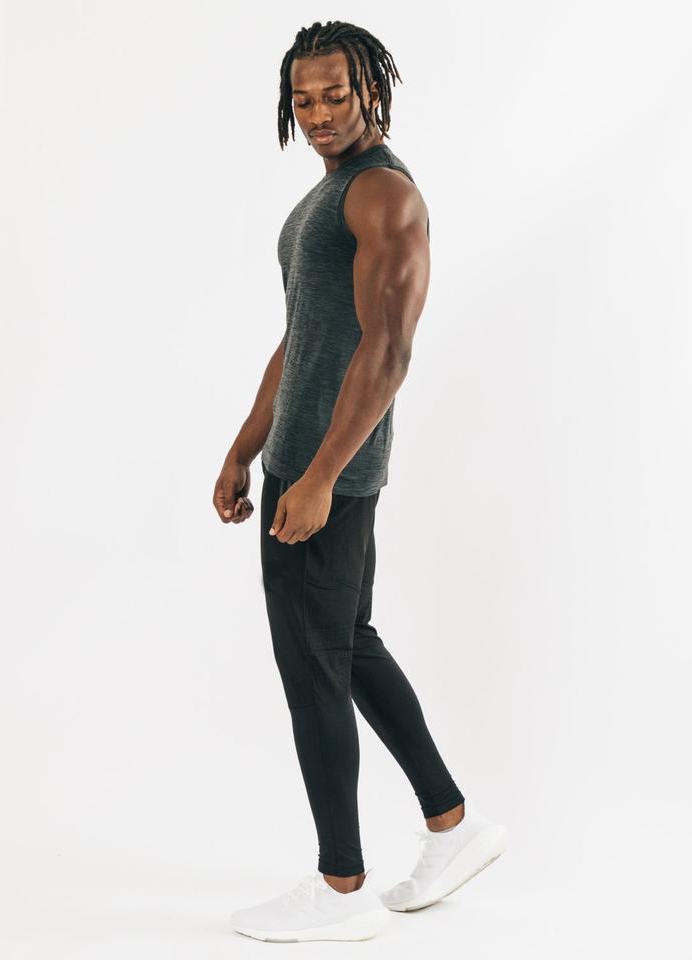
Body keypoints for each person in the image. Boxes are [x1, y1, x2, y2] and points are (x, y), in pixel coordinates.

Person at [214, 20, 508, 943]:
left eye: (336, 95)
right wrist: (245, 447)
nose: (318, 114)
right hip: (297, 460)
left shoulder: (383, 193)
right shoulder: (329, 195)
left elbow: (388, 351)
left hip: (326, 471)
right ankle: (452, 827)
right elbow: (301, 335)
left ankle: (341, 889)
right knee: (346, 644)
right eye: (302, 100)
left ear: (373, 90)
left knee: (313, 667)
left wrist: (320, 476)